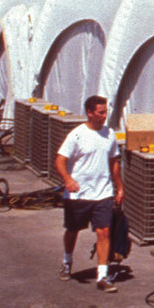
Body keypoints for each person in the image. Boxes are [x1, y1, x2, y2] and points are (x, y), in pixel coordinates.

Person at [55, 95, 124, 292]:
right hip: (78, 195)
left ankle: (102, 276)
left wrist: (120, 187)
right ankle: (67, 262)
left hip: (102, 193)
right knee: (73, 230)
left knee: (104, 232)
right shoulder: (77, 135)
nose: (104, 116)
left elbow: (114, 163)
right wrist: (68, 180)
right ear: (90, 112)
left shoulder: (109, 134)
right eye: (100, 113)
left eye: (105, 113)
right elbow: (60, 160)